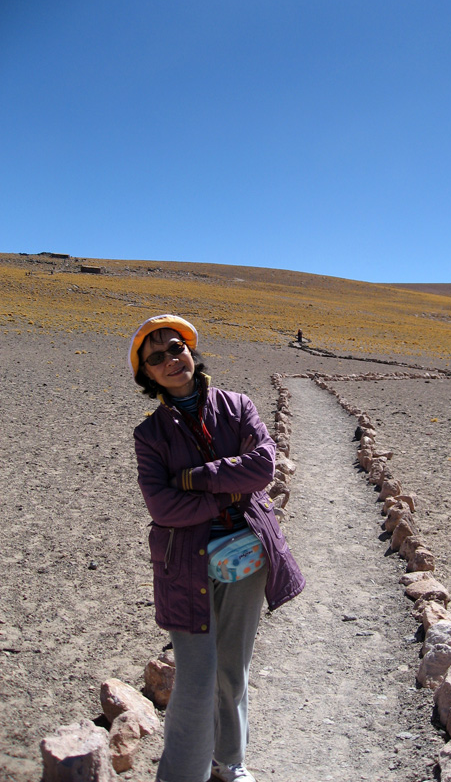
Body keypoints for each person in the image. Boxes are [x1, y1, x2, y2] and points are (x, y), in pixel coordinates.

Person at [128, 314, 305, 782]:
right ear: (147, 374)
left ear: (190, 350)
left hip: (248, 554)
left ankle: (229, 761)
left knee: (233, 668)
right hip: (184, 565)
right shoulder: (150, 435)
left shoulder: (237, 406)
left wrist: (194, 479)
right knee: (195, 679)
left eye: (176, 348)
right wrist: (228, 493)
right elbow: (162, 506)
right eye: (156, 357)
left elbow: (262, 468)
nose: (170, 360)